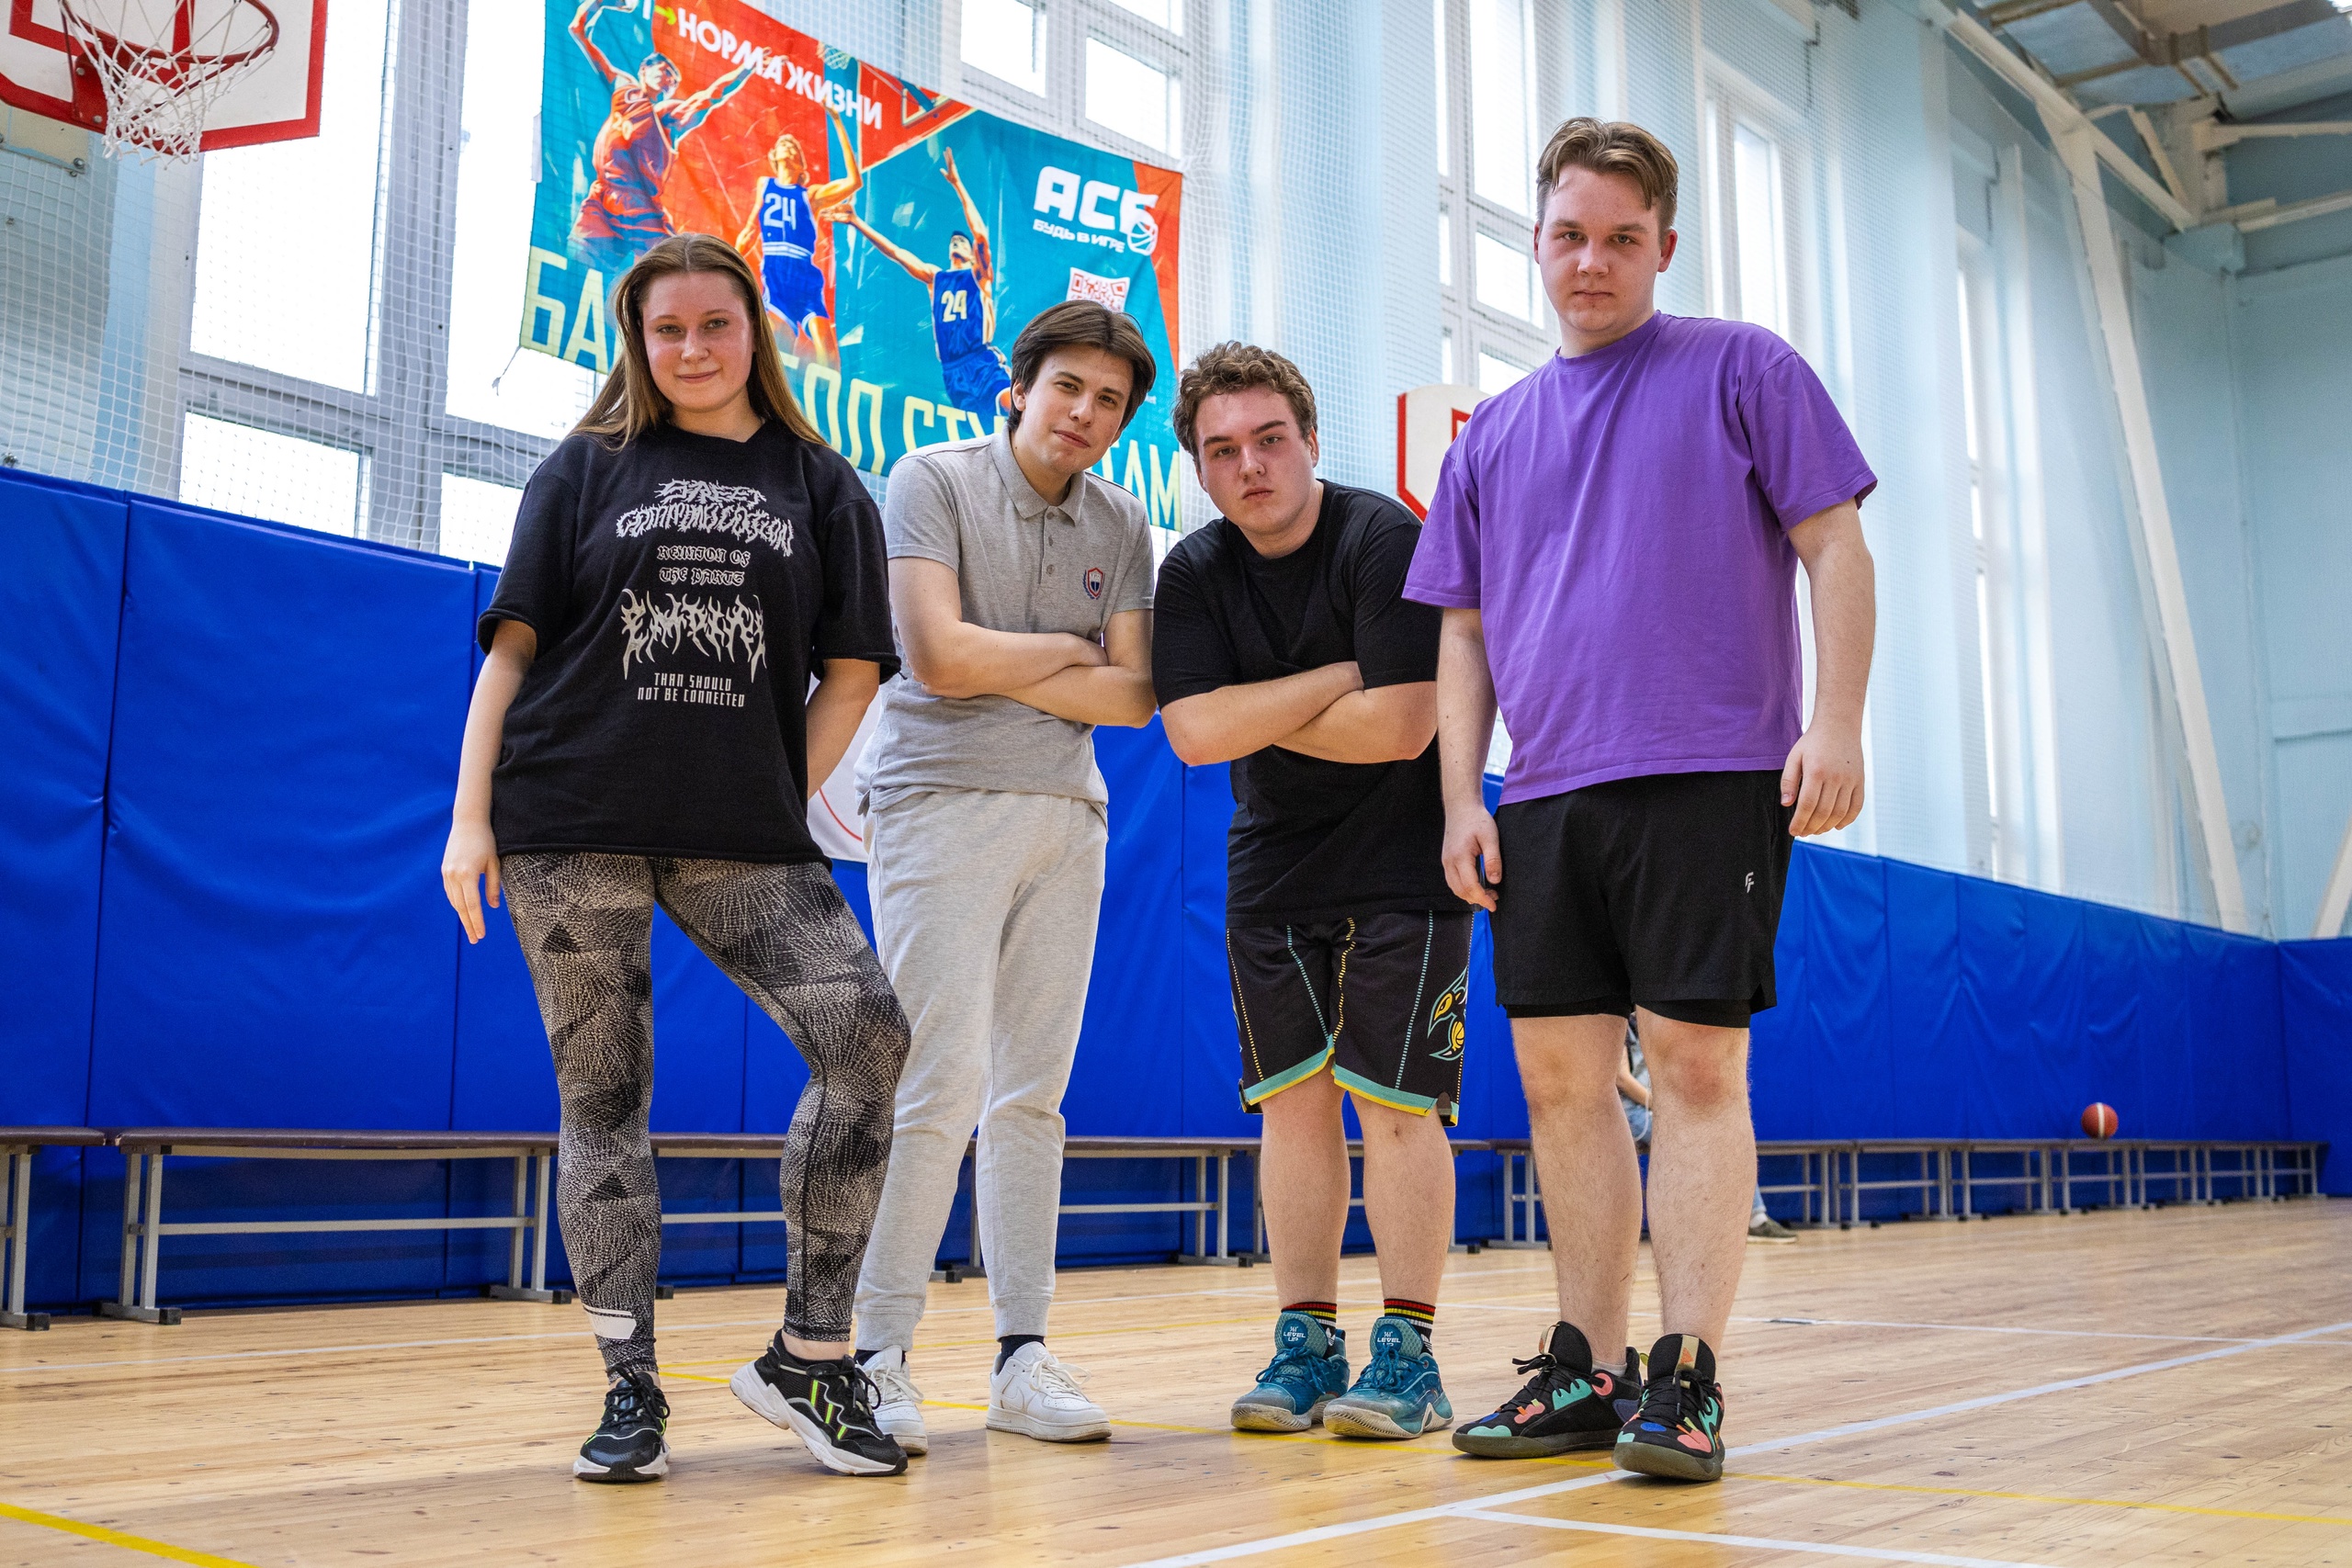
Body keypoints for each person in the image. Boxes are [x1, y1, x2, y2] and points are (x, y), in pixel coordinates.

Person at [1410, 118, 1876, 1483]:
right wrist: (1462, 796)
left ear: (1663, 246)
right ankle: (1585, 1369)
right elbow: (1461, 635)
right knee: (1561, 1083)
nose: (1592, 260)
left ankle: (1687, 1378)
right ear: (1536, 243)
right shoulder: (1492, 435)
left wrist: (1838, 720)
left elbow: (1835, 546)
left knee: (1694, 1066)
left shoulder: (1745, 368)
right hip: (1548, 795)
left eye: (1622, 238)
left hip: (1711, 775)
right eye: (1570, 235)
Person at [440, 233, 913, 1484]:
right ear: (636, 340)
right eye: (667, 329)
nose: (693, 348)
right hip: (566, 818)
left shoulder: (822, 483)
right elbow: (511, 652)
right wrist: (469, 817)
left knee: (867, 1037)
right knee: (605, 1096)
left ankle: (811, 1353)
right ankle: (629, 1384)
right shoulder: (584, 465)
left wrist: (770, 789)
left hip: (738, 838)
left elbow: (853, 671)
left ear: (756, 330)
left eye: (716, 324)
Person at [847, 300, 1160, 1453]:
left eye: (1110, 401)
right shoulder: (930, 479)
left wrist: (1003, 662)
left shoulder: (1122, 522)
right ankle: (874, 1355)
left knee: (1033, 1094)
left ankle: (1022, 1356)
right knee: (933, 1082)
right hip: (937, 800)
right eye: (1068, 386)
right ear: (1018, 387)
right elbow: (933, 655)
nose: (1085, 412)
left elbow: (1136, 696)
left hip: (1067, 817)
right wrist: (1070, 654)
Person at [1151, 344, 1468, 1441]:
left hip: (1404, 866)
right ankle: (1307, 1344)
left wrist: (1258, 703)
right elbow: (1194, 734)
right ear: (1199, 467)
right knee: (1292, 1107)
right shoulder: (1192, 573)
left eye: (1268, 440)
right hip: (1271, 870)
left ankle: (1409, 1357)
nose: (1249, 466)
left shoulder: (1382, 538)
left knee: (1395, 1106)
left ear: (1310, 441)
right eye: (1221, 450)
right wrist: (1338, 676)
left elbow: (1403, 726)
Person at [568, 0, 762, 278]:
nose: (666, 76)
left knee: (665, 279)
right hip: (605, 196)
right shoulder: (624, 88)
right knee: (575, 265)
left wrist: (746, 69)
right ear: (643, 70)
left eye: (671, 76)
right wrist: (599, 3)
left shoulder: (670, 118)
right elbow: (577, 30)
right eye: (662, 68)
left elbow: (712, 95)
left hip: (644, 210)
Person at [836, 149, 1013, 431]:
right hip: (952, 370)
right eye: (953, 241)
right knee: (978, 436)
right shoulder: (935, 278)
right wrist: (857, 222)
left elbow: (980, 235)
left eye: (962, 241)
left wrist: (957, 185)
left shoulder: (978, 276)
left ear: (971, 254)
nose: (956, 242)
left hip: (980, 361)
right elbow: (895, 252)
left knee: (1014, 406)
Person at [1619, 1018, 1797, 1244]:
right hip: (1634, 1113)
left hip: (1658, 1108)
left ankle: (1751, 1218)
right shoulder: (1622, 1023)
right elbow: (1621, 1078)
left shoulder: (1651, 1022)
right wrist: (1661, 1104)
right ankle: (1728, 1222)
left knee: (1723, 1138)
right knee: (1696, 1142)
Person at [737, 119, 863, 365]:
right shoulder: (765, 185)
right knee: (774, 351)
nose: (787, 146)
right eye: (782, 144)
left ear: (801, 162)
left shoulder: (811, 194)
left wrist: (837, 120)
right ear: (774, 156)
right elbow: (750, 231)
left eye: (793, 145)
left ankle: (833, 387)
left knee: (827, 353)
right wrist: (725, 263)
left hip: (804, 275)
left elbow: (854, 182)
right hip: (776, 273)